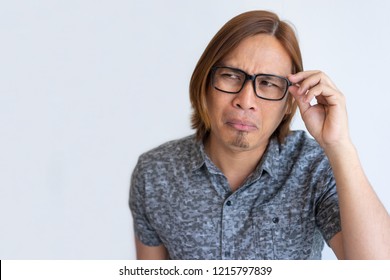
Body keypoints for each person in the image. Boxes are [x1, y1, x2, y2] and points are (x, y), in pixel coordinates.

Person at [129, 10, 390, 260]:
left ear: (289, 101)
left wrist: (339, 145)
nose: (245, 101)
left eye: (267, 83)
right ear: (205, 83)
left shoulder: (315, 168)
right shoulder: (155, 172)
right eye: (231, 76)